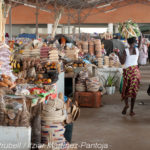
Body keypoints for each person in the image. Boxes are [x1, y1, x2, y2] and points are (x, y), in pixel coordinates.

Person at [115, 37, 141, 116]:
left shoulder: (126, 51)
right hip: (136, 72)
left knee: (126, 88)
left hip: (128, 73)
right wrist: (140, 34)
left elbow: (122, 61)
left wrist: (118, 54)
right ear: (135, 42)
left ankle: (126, 104)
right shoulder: (137, 49)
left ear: (128, 43)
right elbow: (140, 43)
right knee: (134, 90)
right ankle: (132, 111)